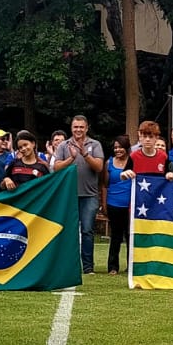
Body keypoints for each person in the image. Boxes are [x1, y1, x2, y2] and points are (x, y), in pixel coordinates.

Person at [52, 115, 106, 273]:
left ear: (87, 128)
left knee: (87, 230)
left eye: (81, 127)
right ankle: (69, 265)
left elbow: (99, 167)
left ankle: (88, 267)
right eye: (76, 127)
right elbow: (56, 168)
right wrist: (71, 158)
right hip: (68, 196)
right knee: (68, 231)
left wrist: (85, 154)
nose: (78, 130)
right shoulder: (63, 145)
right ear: (71, 128)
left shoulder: (95, 144)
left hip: (89, 195)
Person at [104, 136, 132, 274]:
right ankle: (113, 267)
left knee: (129, 235)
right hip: (113, 203)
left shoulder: (133, 162)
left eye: (120, 147)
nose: (118, 150)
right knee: (115, 236)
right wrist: (104, 203)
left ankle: (131, 266)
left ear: (126, 148)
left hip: (130, 205)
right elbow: (105, 184)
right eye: (115, 147)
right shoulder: (109, 162)